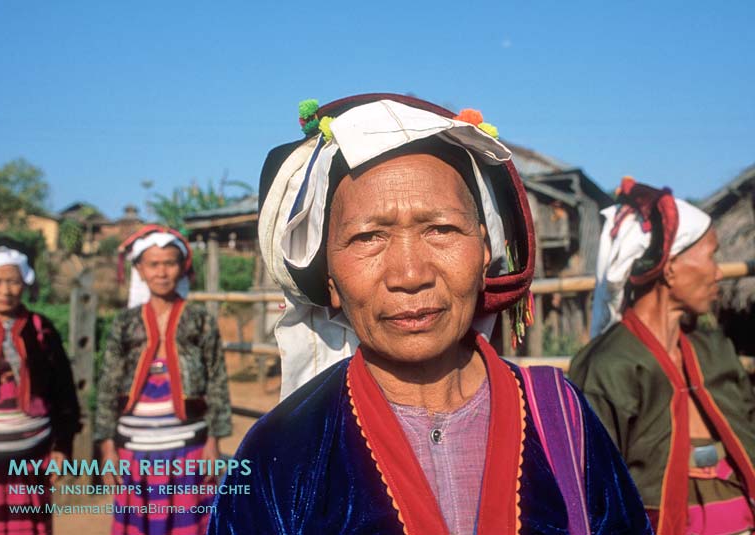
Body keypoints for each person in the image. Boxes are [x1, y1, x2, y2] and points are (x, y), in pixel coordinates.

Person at [207, 94, 651, 534]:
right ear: (329, 280)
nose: (410, 274)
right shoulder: (284, 447)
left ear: (483, 254)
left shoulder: (559, 414)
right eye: (368, 238)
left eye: (441, 229)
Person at [570, 178, 755, 534]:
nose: (719, 273)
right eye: (712, 256)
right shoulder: (608, 367)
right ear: (669, 268)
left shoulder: (714, 349)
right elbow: (590, 487)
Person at [94, 225, 232, 535]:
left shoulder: (199, 320)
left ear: (182, 267)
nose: (162, 272)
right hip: (134, 450)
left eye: (169, 263)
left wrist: (213, 441)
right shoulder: (125, 323)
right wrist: (107, 447)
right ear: (139, 270)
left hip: (188, 448)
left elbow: (216, 380)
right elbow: (108, 385)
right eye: (153, 264)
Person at [0, 238, 81, 535]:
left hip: (32, 457)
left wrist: (62, 447)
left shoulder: (42, 329)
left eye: (12, 281)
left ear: (24, 283)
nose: (5, 290)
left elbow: (64, 393)